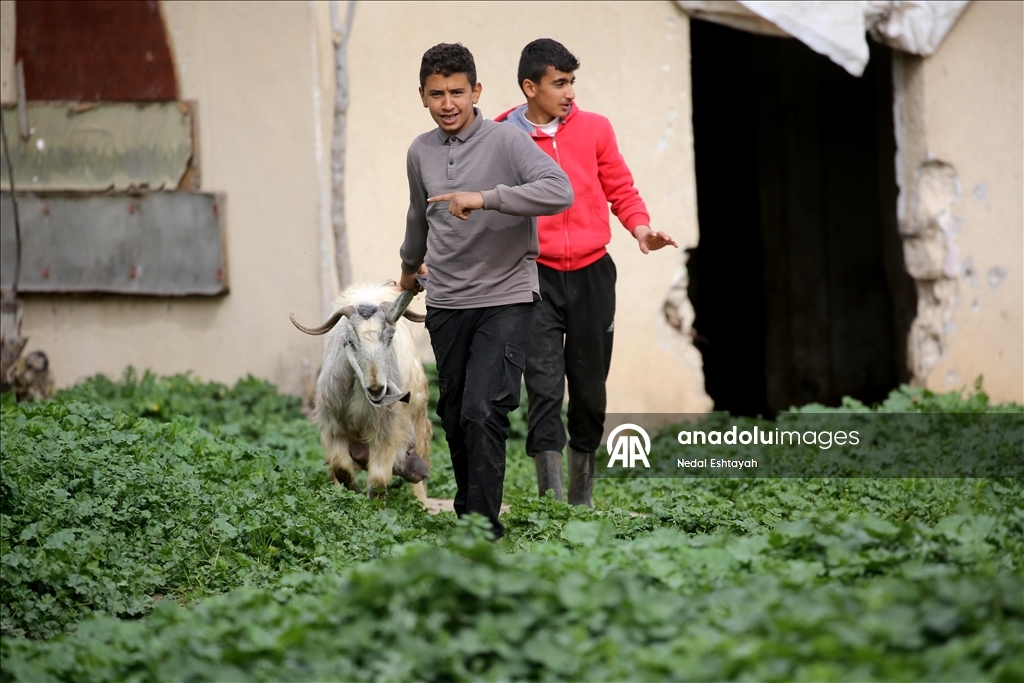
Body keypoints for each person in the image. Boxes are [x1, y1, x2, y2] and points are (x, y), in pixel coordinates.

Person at [399, 43, 573, 540]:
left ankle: (481, 529)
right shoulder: (420, 151)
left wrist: (487, 199)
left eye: (458, 92)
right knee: (455, 416)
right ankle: (469, 517)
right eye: (437, 94)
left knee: (483, 408)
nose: (448, 103)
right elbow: (419, 215)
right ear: (423, 96)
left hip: (506, 296)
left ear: (476, 91)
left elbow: (559, 190)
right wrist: (409, 270)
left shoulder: (507, 142)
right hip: (447, 300)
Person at [496, 38, 678, 507]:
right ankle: (551, 503)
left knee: (591, 392)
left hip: (594, 274)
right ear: (529, 87)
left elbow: (620, 186)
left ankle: (582, 499)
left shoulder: (596, 128)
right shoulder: (500, 136)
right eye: (560, 83)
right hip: (533, 277)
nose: (571, 92)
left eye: (573, 81)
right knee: (543, 389)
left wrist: (640, 229)